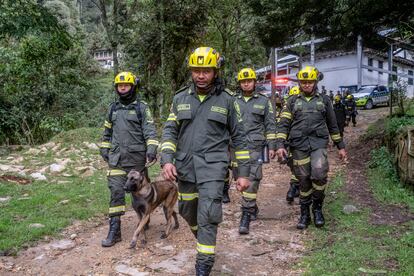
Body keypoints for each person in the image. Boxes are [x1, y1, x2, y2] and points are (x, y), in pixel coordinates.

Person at [160, 47, 251, 275]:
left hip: (214, 167)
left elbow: (239, 137)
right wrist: (167, 160)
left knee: (208, 213)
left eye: (206, 71)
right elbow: (170, 131)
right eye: (196, 71)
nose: (201, 75)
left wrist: (242, 173)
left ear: (216, 71)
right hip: (185, 168)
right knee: (188, 211)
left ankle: (203, 264)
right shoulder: (180, 98)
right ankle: (204, 240)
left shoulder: (228, 100)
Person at [275, 66, 347, 229]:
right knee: (303, 179)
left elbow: (333, 125)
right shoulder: (292, 101)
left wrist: (340, 147)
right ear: (300, 83)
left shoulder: (325, 100)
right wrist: (280, 144)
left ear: (315, 82)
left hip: (318, 144)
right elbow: (283, 124)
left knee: (319, 174)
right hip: (298, 145)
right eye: (303, 82)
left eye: (309, 82)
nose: (306, 85)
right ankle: (305, 214)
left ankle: (317, 209)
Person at [99, 72, 159, 247]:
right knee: (116, 191)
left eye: (126, 85)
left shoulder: (141, 108)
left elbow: (149, 130)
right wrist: (104, 148)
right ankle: (114, 230)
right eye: (119, 85)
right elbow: (107, 132)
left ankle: (144, 219)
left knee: (140, 193)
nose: (122, 88)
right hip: (116, 158)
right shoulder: (113, 108)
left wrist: (152, 149)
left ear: (133, 86)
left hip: (137, 159)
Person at [234, 68, 276, 234]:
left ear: (254, 82)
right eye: (243, 81)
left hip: (256, 146)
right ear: (239, 84)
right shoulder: (232, 101)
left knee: (252, 178)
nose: (246, 83)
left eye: (249, 80)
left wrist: (272, 145)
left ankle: (246, 214)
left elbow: (271, 124)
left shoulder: (264, 102)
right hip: (236, 147)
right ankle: (252, 206)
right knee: (240, 179)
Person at [284, 86, 300, 204]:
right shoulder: (288, 107)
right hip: (292, 141)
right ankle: (294, 187)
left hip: (298, 141)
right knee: (295, 165)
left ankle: (295, 188)